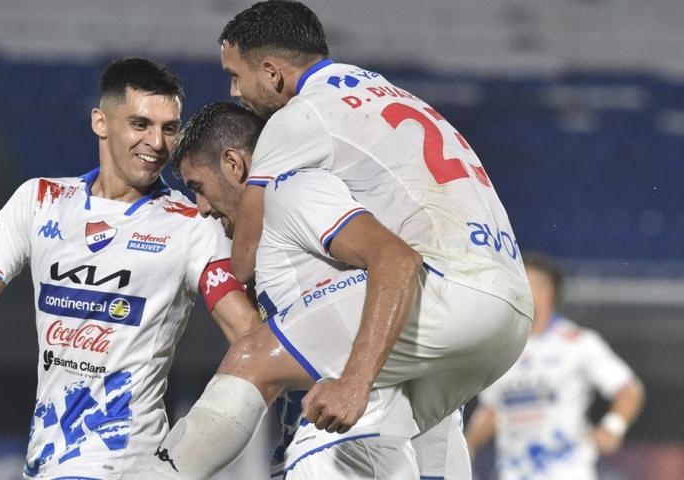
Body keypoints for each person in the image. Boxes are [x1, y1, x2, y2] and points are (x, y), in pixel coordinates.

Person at [155, 1, 531, 478]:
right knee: (407, 424)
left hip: (449, 291)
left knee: (255, 359)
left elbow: (246, 259)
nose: (235, 91)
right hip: (509, 313)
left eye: (236, 75)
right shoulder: (392, 94)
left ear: (271, 73)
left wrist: (353, 378)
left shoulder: (297, 120)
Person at [0, 58, 260, 479]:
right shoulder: (40, 200)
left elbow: (247, 335)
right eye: (140, 124)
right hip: (46, 457)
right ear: (100, 122)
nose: (157, 143)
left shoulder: (191, 223)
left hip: (124, 460)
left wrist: (201, 436)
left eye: (169, 128)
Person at [464, 252, 644, 480]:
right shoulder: (502, 348)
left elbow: (628, 389)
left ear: (547, 291)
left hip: (567, 471)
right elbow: (492, 409)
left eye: (527, 285)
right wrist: (469, 443)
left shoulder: (577, 342)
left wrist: (612, 427)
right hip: (513, 473)